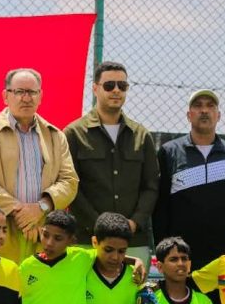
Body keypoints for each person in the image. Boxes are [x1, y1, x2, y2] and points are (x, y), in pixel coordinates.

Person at [0, 68, 78, 264]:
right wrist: (20, 211)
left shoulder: (55, 136)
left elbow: (69, 181)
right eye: (19, 92)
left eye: (32, 92)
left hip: (43, 235)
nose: (26, 98)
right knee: (1, 283)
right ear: (5, 96)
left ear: (41, 96)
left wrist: (40, 208)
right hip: (0, 234)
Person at [64, 62, 159, 266]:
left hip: (133, 241)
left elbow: (151, 186)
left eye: (122, 86)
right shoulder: (74, 133)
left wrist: (134, 222)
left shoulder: (141, 135)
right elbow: (71, 186)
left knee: (133, 288)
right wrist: (99, 226)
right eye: (109, 85)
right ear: (95, 88)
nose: (116, 90)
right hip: (88, 240)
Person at [152, 89, 225, 270]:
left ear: (218, 115)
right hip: (181, 257)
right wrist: (164, 250)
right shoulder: (169, 152)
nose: (204, 110)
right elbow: (161, 207)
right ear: (189, 115)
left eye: (210, 106)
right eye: (198, 106)